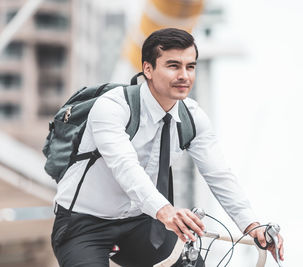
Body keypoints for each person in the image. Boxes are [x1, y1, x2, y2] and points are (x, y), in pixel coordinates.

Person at [51, 28, 284, 267]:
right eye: (173, 66)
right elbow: (125, 167)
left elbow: (219, 175)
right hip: (83, 223)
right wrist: (165, 211)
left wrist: (251, 225)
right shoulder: (112, 107)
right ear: (148, 69)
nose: (184, 75)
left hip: (141, 222)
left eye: (190, 66)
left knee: (191, 263)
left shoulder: (193, 117)